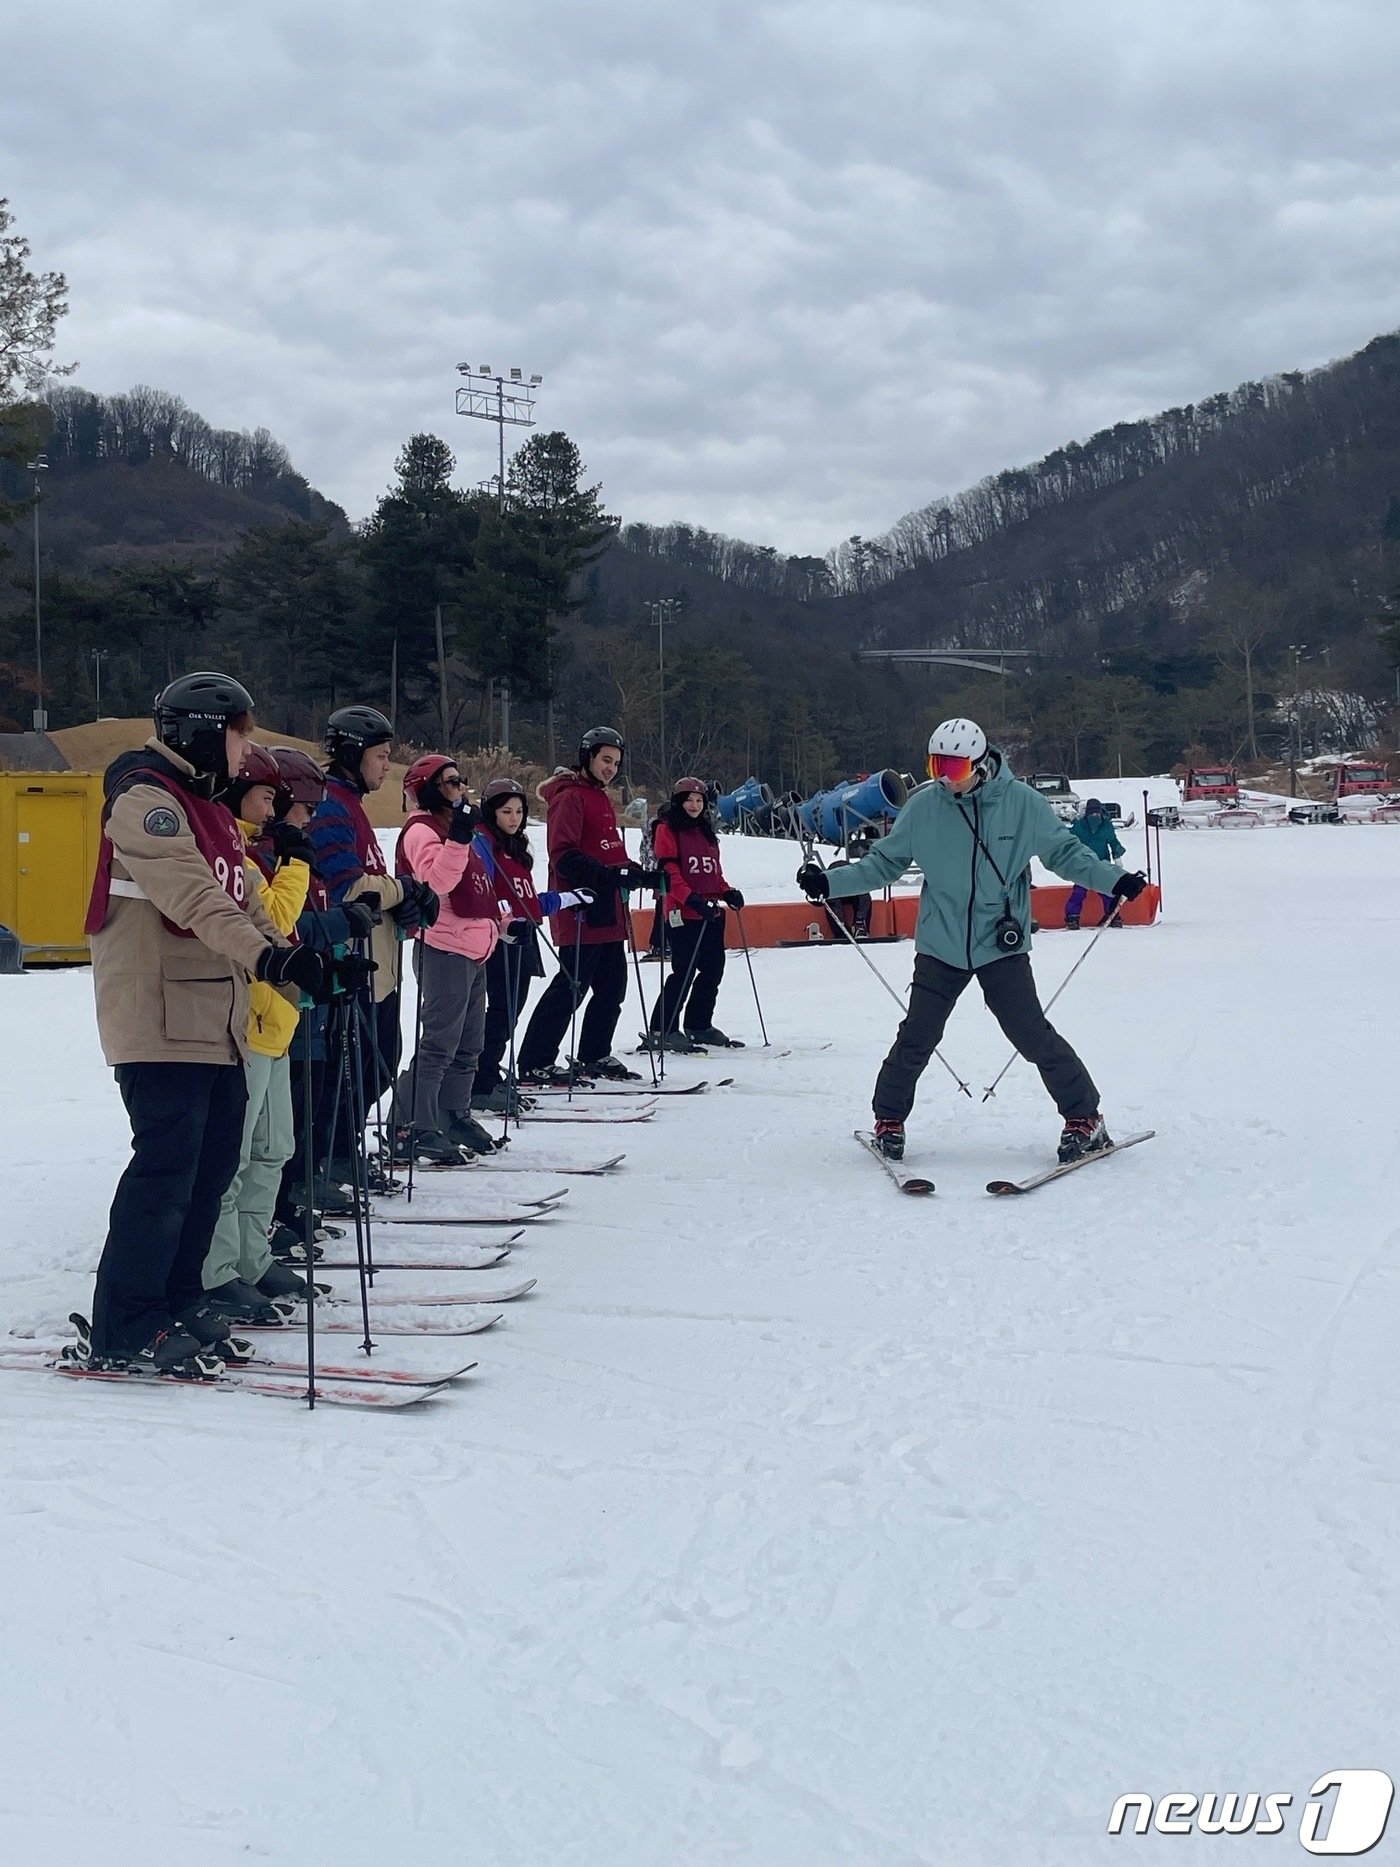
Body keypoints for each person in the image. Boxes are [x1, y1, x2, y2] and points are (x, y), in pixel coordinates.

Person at [82, 672, 354, 1375]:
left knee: (209, 1174)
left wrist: (300, 957)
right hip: (160, 1015)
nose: (246, 752)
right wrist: (269, 959)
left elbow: (248, 900)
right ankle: (126, 1320)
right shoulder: (146, 799)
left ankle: (176, 1300)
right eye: (240, 736)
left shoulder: (207, 809)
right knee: (166, 1173)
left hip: (215, 1019)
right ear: (204, 731)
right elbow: (195, 895)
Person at [797, 717, 1147, 1166]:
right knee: (918, 1035)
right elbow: (882, 864)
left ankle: (1084, 1117)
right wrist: (828, 880)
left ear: (980, 765)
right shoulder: (924, 807)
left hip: (1000, 943)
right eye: (935, 765)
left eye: (954, 767)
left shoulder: (1021, 803)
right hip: (941, 943)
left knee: (1030, 1033)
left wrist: (1113, 879)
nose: (944, 777)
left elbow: (1066, 854)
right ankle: (888, 1119)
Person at [308, 705, 433, 1187]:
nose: (387, 766)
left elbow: (370, 883)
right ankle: (331, 1157)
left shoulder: (352, 804)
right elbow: (347, 886)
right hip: (351, 963)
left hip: (380, 962)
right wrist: (403, 889)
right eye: (381, 756)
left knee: (376, 1063)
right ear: (354, 754)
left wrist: (400, 901)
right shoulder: (328, 804)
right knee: (352, 1070)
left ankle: (343, 1149)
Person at [516, 726, 667, 1085]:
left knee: (612, 987)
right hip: (581, 909)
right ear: (588, 757)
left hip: (609, 909)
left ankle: (594, 1053)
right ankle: (535, 1060)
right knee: (571, 986)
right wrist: (610, 876)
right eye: (605, 760)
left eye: (616, 763)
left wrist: (638, 874)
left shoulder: (600, 797)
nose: (611, 768)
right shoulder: (570, 797)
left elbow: (607, 853)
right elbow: (564, 856)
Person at [388, 755, 506, 1162]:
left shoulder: (455, 830)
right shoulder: (422, 830)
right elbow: (435, 884)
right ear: (429, 788)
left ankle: (452, 1113)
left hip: (473, 947)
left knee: (469, 1043)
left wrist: (498, 920)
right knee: (440, 1042)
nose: (460, 788)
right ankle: (409, 1125)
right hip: (444, 947)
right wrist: (457, 838)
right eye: (450, 782)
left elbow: (471, 888)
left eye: (460, 781)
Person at [469, 776, 593, 1113]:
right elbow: (484, 895)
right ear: (491, 813)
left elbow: (528, 902)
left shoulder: (517, 851)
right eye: (506, 811)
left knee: (509, 1014)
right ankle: (480, 1081)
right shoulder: (483, 843)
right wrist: (504, 922)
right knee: (498, 1014)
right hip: (498, 942)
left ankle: (488, 1073)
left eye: (519, 811)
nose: (513, 818)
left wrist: (568, 898)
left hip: (523, 941)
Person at [645, 776, 745, 1051]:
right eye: (689, 799)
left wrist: (727, 892)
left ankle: (698, 1024)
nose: (694, 805)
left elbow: (713, 872)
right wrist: (690, 898)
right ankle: (662, 1028)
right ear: (678, 802)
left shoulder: (705, 832)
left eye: (699, 800)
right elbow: (670, 872)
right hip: (683, 912)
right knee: (683, 972)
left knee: (713, 971)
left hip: (710, 912)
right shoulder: (668, 829)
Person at [1064, 799, 1126, 928]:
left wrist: (1117, 855)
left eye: (1097, 812)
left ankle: (1112, 915)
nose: (1095, 816)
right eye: (1092, 812)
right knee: (1079, 892)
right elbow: (1069, 841)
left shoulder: (1106, 826)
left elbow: (1113, 841)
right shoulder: (1079, 826)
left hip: (1101, 865)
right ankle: (1072, 917)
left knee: (1107, 892)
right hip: (1083, 865)